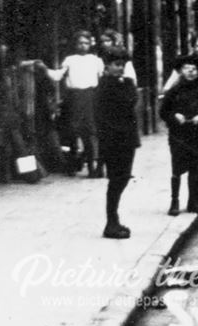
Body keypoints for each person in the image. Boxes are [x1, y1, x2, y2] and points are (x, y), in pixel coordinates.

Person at [160, 58, 198, 216]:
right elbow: (163, 112)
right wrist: (175, 116)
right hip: (179, 134)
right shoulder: (174, 91)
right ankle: (174, 202)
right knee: (177, 168)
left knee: (195, 167)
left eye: (194, 69)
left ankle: (193, 202)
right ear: (180, 71)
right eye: (187, 68)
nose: (191, 71)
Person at [45, 30, 105, 177]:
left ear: (90, 44)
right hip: (74, 97)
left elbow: (103, 79)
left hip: (90, 97)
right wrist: (44, 69)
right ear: (75, 44)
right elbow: (58, 76)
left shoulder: (96, 60)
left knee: (89, 133)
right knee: (72, 131)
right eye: (80, 43)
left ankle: (92, 167)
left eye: (86, 43)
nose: (83, 46)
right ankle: (72, 165)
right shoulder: (70, 60)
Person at [95, 46, 139, 238]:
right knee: (116, 180)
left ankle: (114, 220)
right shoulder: (103, 86)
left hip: (127, 139)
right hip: (112, 141)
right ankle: (111, 223)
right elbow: (104, 115)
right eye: (116, 65)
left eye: (123, 65)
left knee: (123, 178)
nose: (120, 68)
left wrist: (125, 84)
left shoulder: (127, 82)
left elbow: (132, 100)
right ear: (107, 66)